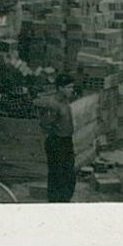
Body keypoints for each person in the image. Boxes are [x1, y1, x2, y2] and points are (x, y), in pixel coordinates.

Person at [39, 73, 79, 202]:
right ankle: (56, 203)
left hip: (67, 141)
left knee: (69, 175)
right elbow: (45, 124)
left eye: (72, 87)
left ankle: (64, 200)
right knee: (57, 176)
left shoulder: (65, 101)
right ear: (60, 88)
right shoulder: (53, 104)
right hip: (57, 142)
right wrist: (54, 135)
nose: (72, 90)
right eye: (69, 87)